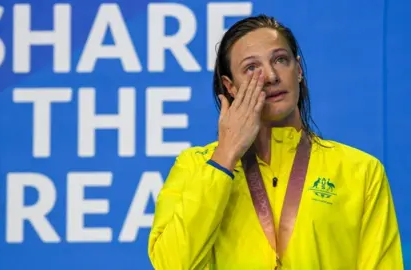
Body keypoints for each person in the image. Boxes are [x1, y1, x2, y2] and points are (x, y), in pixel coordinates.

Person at [147, 14, 403, 270]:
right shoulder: (195, 167)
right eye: (251, 68)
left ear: (299, 70)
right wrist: (224, 158)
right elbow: (172, 264)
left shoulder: (361, 171)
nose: (270, 75)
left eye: (280, 60)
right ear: (230, 87)